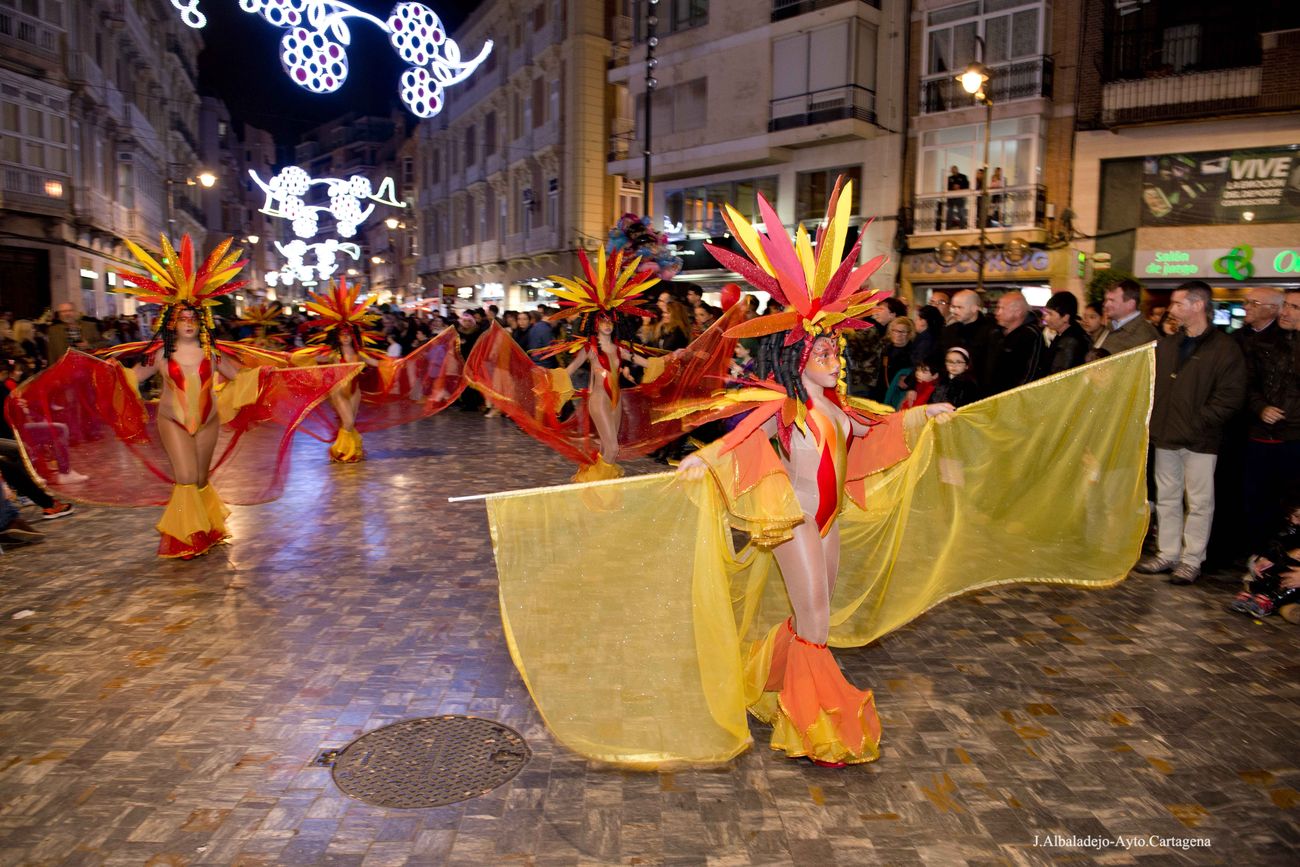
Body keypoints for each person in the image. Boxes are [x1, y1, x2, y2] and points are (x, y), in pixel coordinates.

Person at [679, 176, 955, 766]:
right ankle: (815, 727)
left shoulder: (839, 406)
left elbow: (879, 431)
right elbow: (739, 437)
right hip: (797, 519)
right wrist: (699, 460)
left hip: (827, 522)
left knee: (816, 611)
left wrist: (927, 410)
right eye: (822, 354)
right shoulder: (785, 405)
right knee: (819, 624)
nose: (834, 360)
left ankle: (762, 677)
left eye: (836, 353)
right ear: (796, 358)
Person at [13, 236, 360, 558]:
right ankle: (184, 537)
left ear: (203, 320)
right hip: (172, 420)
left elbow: (242, 378)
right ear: (171, 322)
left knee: (199, 478)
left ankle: (206, 529)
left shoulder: (213, 354)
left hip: (208, 420)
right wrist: (93, 376)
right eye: (182, 317)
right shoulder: (160, 355)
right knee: (183, 478)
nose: (189, 322)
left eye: (194, 316)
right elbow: (131, 378)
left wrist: (281, 374)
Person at [1136, 281, 1247, 585]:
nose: (1172, 309)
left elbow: (1231, 397)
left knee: (1199, 502)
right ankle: (1168, 553)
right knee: (1168, 497)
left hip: (1200, 440)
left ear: (1198, 305)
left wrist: (1198, 422)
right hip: (1166, 435)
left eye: (1177, 303)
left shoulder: (1224, 348)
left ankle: (1191, 559)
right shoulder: (1169, 345)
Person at [294, 282, 387, 462]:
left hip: (354, 391)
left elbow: (378, 363)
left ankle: (350, 450)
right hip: (338, 391)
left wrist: (398, 364)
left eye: (347, 334)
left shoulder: (360, 355)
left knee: (349, 423)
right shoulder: (332, 354)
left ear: (353, 336)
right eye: (341, 334)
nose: (344, 337)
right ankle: (341, 450)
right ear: (337, 336)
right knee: (348, 422)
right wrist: (291, 359)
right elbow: (309, 359)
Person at [1241, 287, 1300, 548]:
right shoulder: (1263, 343)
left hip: (1295, 438)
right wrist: (1260, 407)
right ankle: (1259, 556)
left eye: (1294, 307)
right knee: (1256, 499)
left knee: (1291, 504)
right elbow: (1248, 385)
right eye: (1285, 305)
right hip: (1260, 435)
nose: (1285, 311)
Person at [1229, 494, 1300, 621]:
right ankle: (1261, 593)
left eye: (1298, 517)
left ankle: (1275, 601)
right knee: (1257, 563)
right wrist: (1270, 558)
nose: (1294, 521)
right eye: (1292, 517)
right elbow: (1279, 541)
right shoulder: (1292, 526)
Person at [984, 291, 1041, 394]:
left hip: (1014, 398)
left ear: (1017, 312)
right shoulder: (996, 332)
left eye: (1002, 308)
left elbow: (1030, 372)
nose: (997, 313)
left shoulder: (1030, 335)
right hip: (991, 397)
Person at [941, 289, 997, 376]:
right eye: (953, 307)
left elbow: (990, 368)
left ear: (974, 308)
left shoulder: (990, 333)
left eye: (959, 307)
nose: (954, 311)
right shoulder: (948, 331)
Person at [1097, 279, 1158, 355]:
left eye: (1112, 300)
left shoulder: (1145, 335)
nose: (1105, 304)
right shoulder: (1108, 328)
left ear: (1130, 304)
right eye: (1106, 300)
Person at [1038, 292, 1090, 376]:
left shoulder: (1070, 341)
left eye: (1050, 314)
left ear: (1065, 317)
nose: (1046, 318)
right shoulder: (1064, 335)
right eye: (1046, 314)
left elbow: (1058, 375)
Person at [945, 165, 970, 229]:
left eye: (954, 169)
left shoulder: (963, 177)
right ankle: (948, 227)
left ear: (957, 169)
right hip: (951, 197)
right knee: (949, 213)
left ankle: (962, 227)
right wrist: (952, 187)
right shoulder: (949, 178)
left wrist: (959, 187)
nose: (953, 171)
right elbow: (947, 187)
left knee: (961, 213)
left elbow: (967, 186)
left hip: (960, 197)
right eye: (952, 169)